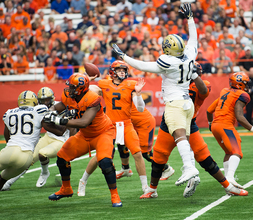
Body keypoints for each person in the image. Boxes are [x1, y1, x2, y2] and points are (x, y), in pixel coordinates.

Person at [112, 3, 199, 188]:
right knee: (185, 138)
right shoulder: (190, 54)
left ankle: (189, 168)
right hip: (187, 103)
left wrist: (123, 57)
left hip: (175, 102)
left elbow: (142, 66)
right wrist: (190, 19)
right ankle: (192, 175)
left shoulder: (168, 62)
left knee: (180, 136)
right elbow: (193, 39)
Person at [140, 63, 249, 199]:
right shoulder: (174, 81)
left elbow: (203, 91)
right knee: (158, 158)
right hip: (169, 121)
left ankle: (228, 186)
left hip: (188, 123)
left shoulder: (202, 84)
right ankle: (152, 189)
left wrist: (193, 75)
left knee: (204, 157)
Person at [44, 73, 122, 207]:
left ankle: (115, 195)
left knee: (105, 162)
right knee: (62, 157)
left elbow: (84, 122)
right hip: (85, 135)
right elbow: (60, 105)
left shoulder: (92, 99)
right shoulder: (69, 96)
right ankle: (66, 189)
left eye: (73, 88)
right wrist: (51, 111)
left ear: (81, 89)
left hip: (103, 133)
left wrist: (60, 120)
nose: (69, 90)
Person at [0, 91, 62, 210]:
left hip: (10, 150)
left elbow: (7, 135)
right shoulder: (40, 110)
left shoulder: (9, 113)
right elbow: (53, 128)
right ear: (34, 101)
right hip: (26, 157)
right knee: (2, 180)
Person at [77, 60, 149, 197]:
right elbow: (86, 89)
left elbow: (140, 108)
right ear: (112, 72)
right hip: (109, 126)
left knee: (137, 153)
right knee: (100, 156)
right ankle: (83, 181)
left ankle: (145, 186)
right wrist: (86, 79)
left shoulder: (131, 85)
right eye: (119, 70)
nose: (123, 72)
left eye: (124, 70)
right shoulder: (104, 84)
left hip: (126, 124)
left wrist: (138, 94)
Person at [1, 87, 75, 190]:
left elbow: (72, 122)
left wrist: (71, 139)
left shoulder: (59, 106)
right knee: (27, 158)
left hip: (61, 139)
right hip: (48, 137)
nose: (45, 102)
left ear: (52, 98)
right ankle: (8, 183)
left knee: (42, 153)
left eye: (47, 100)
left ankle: (44, 172)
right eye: (42, 100)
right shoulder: (37, 108)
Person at [207, 72, 253, 189]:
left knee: (229, 153)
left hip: (216, 126)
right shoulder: (242, 95)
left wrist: (210, 124)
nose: (247, 86)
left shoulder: (224, 91)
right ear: (240, 84)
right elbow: (240, 117)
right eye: (246, 84)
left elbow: (209, 110)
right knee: (237, 153)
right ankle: (230, 178)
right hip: (225, 125)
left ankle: (226, 182)